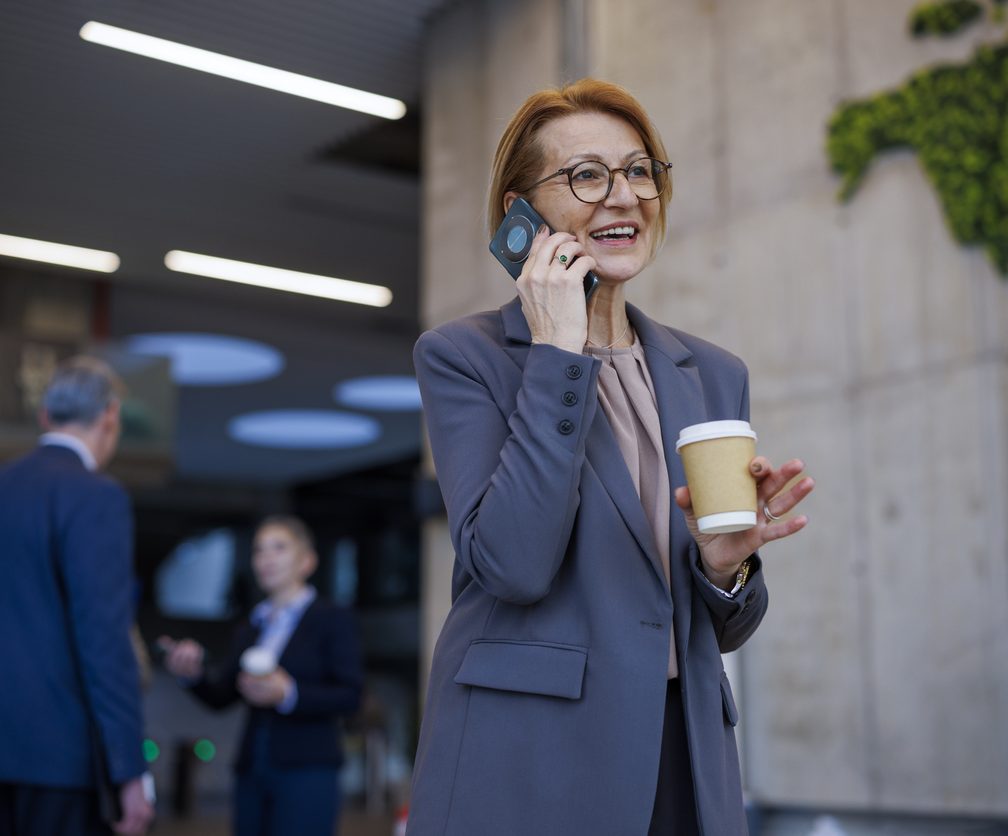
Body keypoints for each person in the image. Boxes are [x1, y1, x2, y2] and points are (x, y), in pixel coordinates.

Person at [406, 79, 816, 836]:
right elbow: (513, 564)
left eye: (638, 171)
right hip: (532, 758)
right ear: (520, 212)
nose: (624, 196)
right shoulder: (465, 357)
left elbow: (721, 628)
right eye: (587, 175)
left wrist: (724, 570)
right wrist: (558, 353)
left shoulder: (712, 372)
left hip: (683, 750)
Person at [0, 356, 155, 836]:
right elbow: (104, 639)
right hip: (60, 757)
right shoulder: (96, 496)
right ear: (110, 416)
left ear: (45, 415)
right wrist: (128, 766)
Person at [160, 515, 362, 836]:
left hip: (308, 770)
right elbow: (222, 696)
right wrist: (192, 675)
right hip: (253, 769)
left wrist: (289, 693)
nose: (266, 558)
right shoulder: (251, 626)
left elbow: (351, 696)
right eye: (259, 550)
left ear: (307, 561)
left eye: (279, 547)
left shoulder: (332, 619)